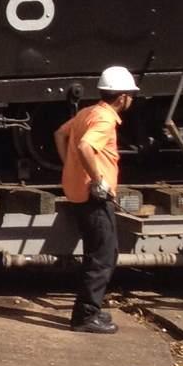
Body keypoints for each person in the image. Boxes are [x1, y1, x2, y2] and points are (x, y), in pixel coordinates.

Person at [54, 66, 136, 334]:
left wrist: (70, 166)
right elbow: (85, 146)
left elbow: (60, 134)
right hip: (93, 195)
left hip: (79, 190)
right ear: (122, 97)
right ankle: (86, 315)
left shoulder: (87, 112)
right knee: (103, 255)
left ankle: (90, 310)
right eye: (131, 95)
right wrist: (98, 179)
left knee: (98, 252)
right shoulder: (104, 119)